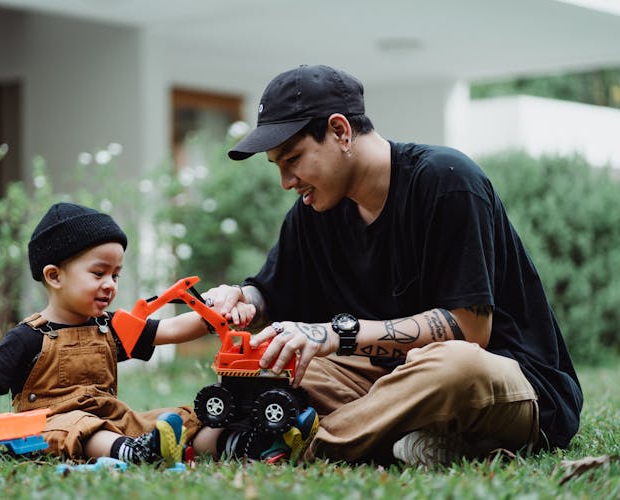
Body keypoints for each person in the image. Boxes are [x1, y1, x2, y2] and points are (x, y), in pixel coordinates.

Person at [204, 64, 583, 466]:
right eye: (278, 166)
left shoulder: (447, 179)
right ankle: (413, 441)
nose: (286, 181)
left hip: (502, 385)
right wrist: (242, 297)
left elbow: (471, 331)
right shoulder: (313, 212)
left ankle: (297, 446)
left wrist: (337, 335)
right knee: (274, 369)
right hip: (385, 385)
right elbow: (272, 292)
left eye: (293, 159)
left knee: (454, 364)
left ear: (340, 131)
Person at [0, 202, 238, 466]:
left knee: (172, 419)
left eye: (116, 274)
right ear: (55, 277)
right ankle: (133, 452)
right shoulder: (28, 337)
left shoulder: (109, 326)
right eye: (99, 273)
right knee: (85, 428)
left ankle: (234, 441)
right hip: (51, 426)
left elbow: (167, 329)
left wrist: (212, 318)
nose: (110, 284)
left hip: (113, 419)